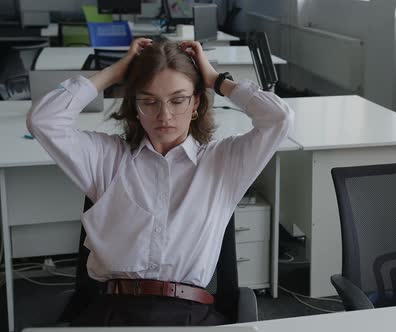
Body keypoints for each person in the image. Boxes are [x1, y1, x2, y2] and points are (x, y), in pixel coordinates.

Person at [26, 38, 293, 326]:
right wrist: (115, 73)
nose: (164, 115)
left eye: (178, 100)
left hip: (190, 314)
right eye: (149, 101)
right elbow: (44, 120)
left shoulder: (223, 162)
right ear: (135, 106)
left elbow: (278, 118)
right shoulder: (107, 157)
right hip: (113, 312)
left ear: (196, 104)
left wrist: (216, 80)